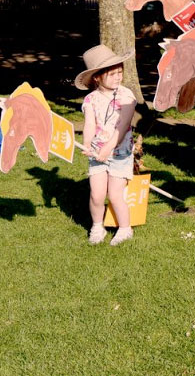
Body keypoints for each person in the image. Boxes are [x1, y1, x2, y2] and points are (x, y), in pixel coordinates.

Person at [74, 44, 138, 246]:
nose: (118, 77)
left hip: (120, 154)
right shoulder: (91, 100)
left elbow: (123, 125)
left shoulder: (127, 97)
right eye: (112, 74)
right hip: (97, 154)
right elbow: (89, 124)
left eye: (120, 72)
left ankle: (125, 229)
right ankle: (97, 226)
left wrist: (108, 148)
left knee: (115, 194)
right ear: (97, 77)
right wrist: (87, 144)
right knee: (97, 194)